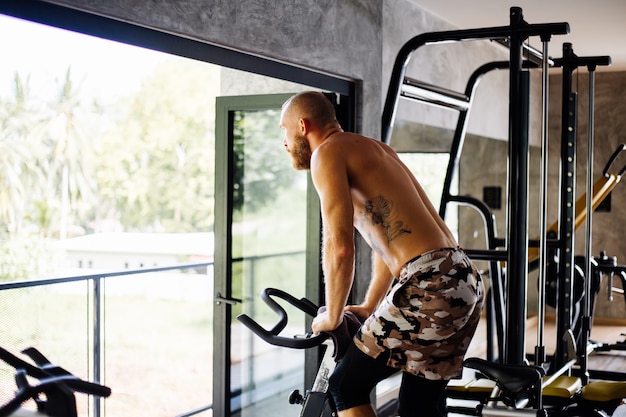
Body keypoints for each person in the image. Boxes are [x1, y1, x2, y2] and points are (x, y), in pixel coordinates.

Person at [279, 91, 484, 417]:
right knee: (419, 404)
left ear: (303, 125)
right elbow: (384, 239)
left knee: (345, 386)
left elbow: (339, 245)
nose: (284, 141)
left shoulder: (327, 153)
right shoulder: (375, 149)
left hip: (429, 281)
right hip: (462, 277)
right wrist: (371, 305)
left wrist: (332, 316)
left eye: (283, 130)